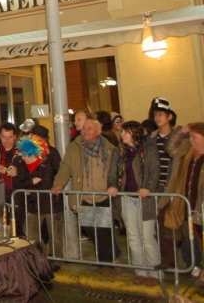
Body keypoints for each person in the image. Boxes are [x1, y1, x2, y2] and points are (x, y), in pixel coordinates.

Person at [51, 118, 120, 271]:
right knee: (92, 230)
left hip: (103, 196)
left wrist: (115, 186)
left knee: (104, 231)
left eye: (89, 128)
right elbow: (65, 167)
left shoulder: (109, 149)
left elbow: (116, 171)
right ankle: (111, 258)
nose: (85, 131)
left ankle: (106, 263)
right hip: (85, 196)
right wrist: (58, 184)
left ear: (98, 131)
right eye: (84, 128)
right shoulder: (74, 148)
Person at [107, 120, 160, 285]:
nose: (121, 134)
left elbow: (154, 171)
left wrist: (148, 188)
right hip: (126, 197)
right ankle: (140, 270)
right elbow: (113, 172)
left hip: (145, 199)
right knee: (133, 236)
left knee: (147, 236)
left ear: (134, 133)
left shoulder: (149, 149)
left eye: (124, 132)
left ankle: (155, 273)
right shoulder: (119, 151)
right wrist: (112, 185)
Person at [161, 122, 204, 278]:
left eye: (194, 136)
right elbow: (170, 147)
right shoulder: (187, 151)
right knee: (188, 237)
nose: (191, 139)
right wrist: (181, 132)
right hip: (185, 203)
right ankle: (192, 264)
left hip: (201, 205)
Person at [13, 134, 64, 261]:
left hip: (51, 205)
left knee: (55, 235)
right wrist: (31, 183)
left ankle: (56, 259)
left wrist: (29, 188)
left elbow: (46, 185)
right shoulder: (24, 166)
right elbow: (18, 183)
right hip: (34, 205)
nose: (23, 158)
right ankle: (42, 254)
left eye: (24, 155)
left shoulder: (46, 166)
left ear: (32, 154)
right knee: (30, 230)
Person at [148, 97, 183, 270]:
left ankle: (193, 262)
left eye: (162, 114)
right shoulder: (152, 138)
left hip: (175, 186)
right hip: (158, 185)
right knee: (161, 224)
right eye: (156, 114)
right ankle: (169, 260)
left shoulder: (180, 137)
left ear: (170, 116)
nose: (158, 117)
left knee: (179, 224)